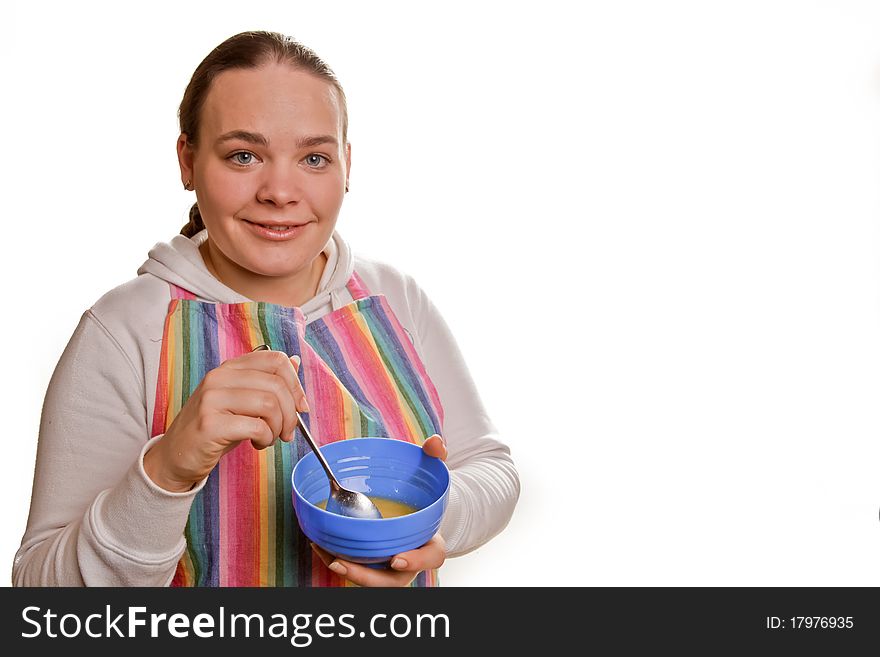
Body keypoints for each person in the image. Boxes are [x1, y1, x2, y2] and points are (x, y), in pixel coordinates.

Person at [12, 30, 520, 587]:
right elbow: (41, 591)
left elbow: (492, 469)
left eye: (314, 157)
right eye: (244, 155)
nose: (280, 190)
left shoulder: (394, 299)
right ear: (187, 160)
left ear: (347, 166)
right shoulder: (124, 331)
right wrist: (169, 469)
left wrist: (420, 523)